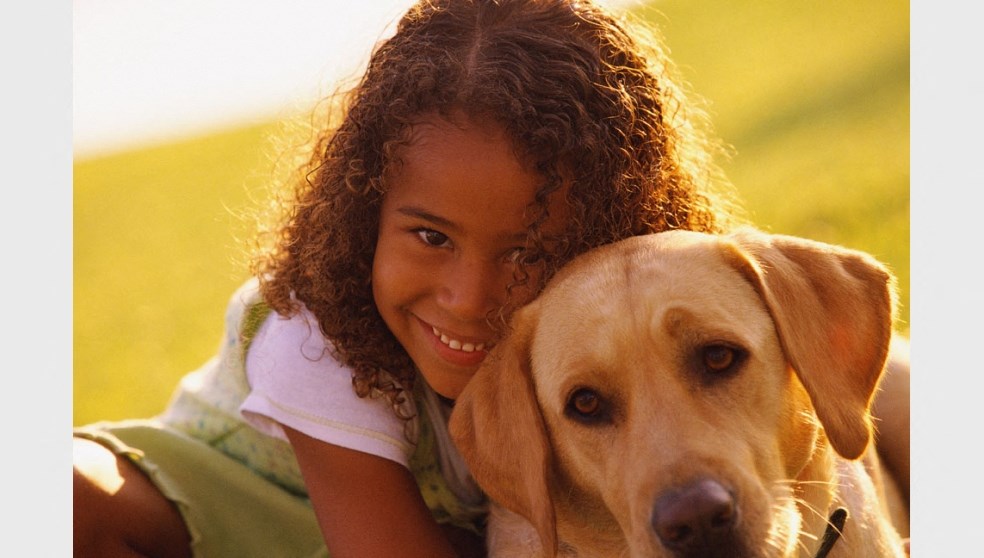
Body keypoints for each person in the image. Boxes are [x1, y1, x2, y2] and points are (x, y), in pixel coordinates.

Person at [73, 0, 909, 556]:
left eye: (527, 253)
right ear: (364, 217)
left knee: (905, 377)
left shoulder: (650, 296)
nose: (470, 295)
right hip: (247, 501)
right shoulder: (312, 343)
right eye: (431, 235)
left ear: (598, 235)